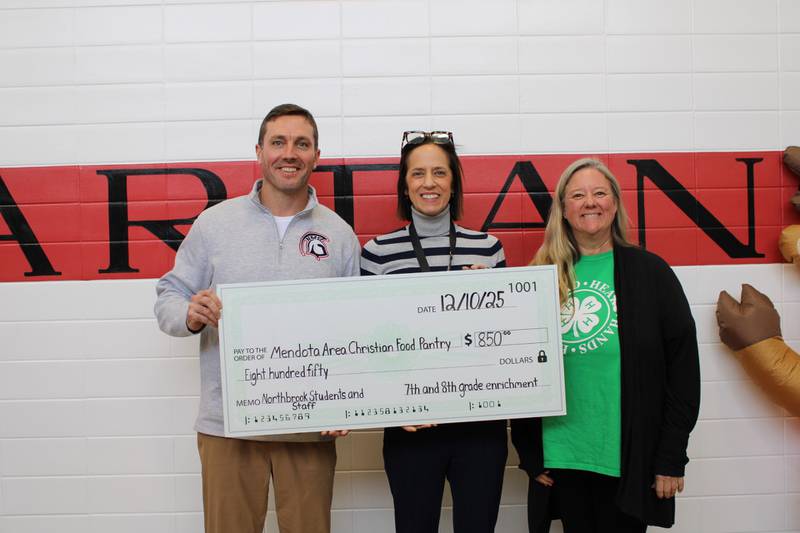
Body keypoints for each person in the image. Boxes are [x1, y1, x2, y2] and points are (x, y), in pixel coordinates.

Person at [154, 103, 361, 533]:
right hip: (228, 427)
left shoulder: (339, 235)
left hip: (309, 427)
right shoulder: (215, 224)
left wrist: (350, 402)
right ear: (259, 151)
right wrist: (190, 314)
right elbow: (169, 296)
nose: (290, 153)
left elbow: (352, 330)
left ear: (316, 156)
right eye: (278, 142)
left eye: (301, 144)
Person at [513, 158, 700, 533]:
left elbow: (683, 372)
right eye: (578, 195)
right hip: (562, 457)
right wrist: (531, 453)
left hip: (627, 459)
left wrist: (670, 458)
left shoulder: (651, 273)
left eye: (600, 193)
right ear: (564, 210)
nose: (590, 202)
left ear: (615, 204)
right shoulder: (540, 276)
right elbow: (517, 366)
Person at [360, 131, 508, 533]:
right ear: (405, 185)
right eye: (418, 173)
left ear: (454, 182)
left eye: (440, 172)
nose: (429, 183)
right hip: (412, 427)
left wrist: (494, 298)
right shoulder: (377, 253)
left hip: (480, 425)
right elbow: (371, 345)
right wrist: (394, 402)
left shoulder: (488, 249)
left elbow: (505, 337)